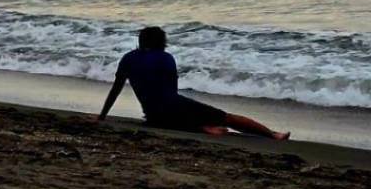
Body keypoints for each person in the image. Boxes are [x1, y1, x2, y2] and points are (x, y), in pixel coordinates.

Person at [98, 26, 289, 140]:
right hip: (171, 108)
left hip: (153, 114)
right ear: (161, 42)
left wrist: (102, 117)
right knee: (226, 117)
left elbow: (116, 89)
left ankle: (202, 127)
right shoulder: (166, 58)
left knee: (170, 115)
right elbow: (172, 93)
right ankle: (272, 135)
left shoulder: (128, 58)